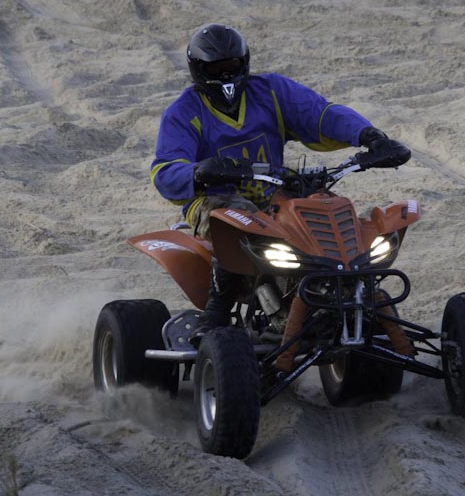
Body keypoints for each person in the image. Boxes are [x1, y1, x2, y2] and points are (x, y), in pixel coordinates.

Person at [151, 23, 408, 332]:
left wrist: (368, 135)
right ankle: (217, 310)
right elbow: (165, 170)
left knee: (328, 206)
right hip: (213, 201)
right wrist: (197, 171)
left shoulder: (271, 91)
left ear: (244, 62)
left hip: (274, 195)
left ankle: (345, 292)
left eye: (231, 65)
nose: (225, 75)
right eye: (216, 69)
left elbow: (320, 115)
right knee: (236, 216)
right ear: (198, 70)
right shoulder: (183, 113)